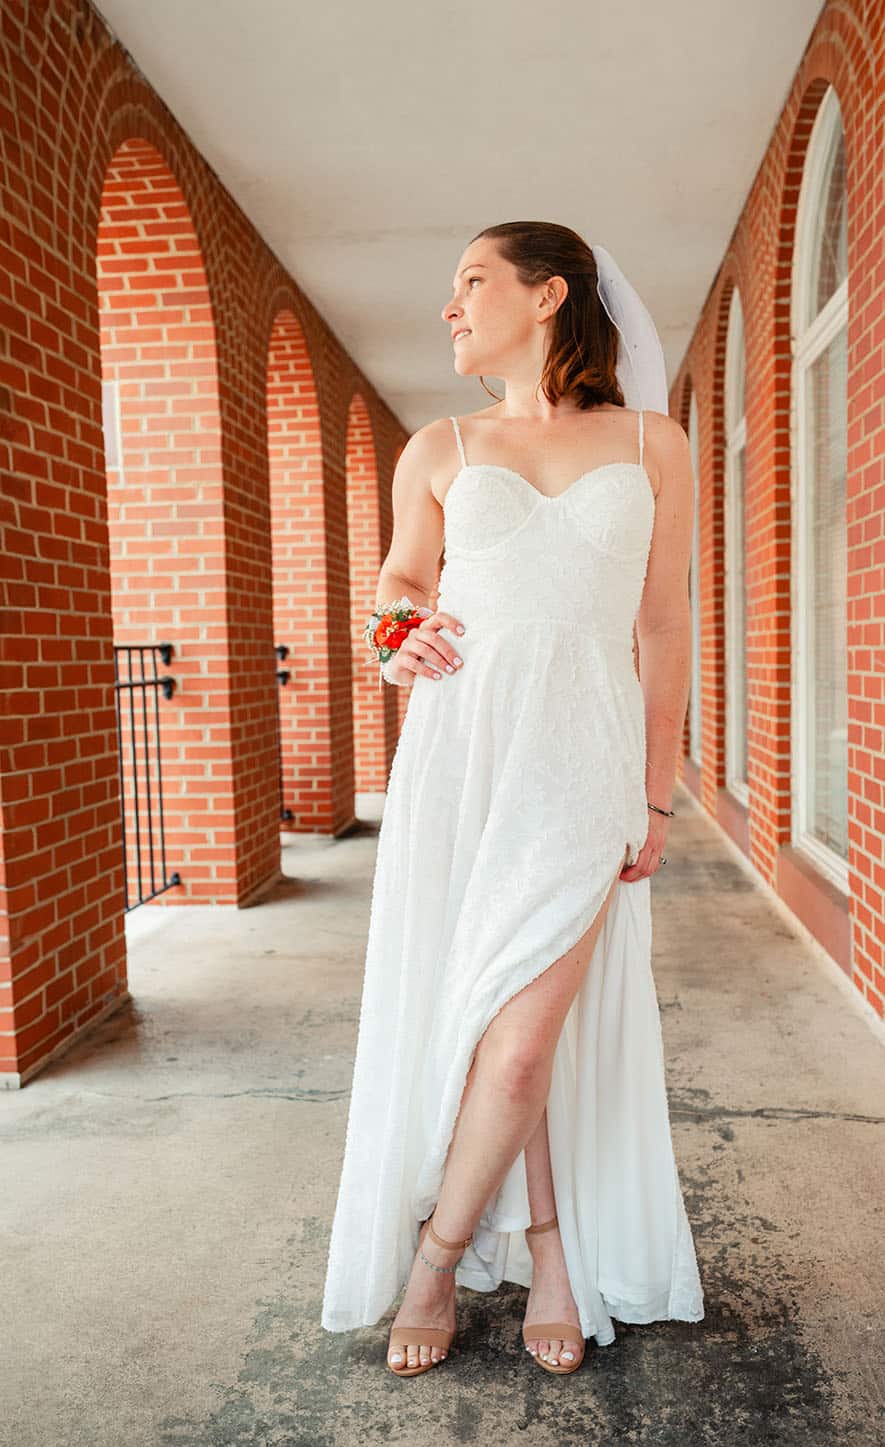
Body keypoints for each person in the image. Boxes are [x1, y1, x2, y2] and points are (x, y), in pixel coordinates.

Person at [321, 220, 704, 1378]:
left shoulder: (655, 442)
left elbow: (665, 622)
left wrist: (659, 790)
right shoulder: (439, 445)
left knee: (527, 1042)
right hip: (462, 755)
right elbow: (397, 582)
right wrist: (400, 626)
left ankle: (437, 1256)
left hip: (582, 760)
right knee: (496, 1025)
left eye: (470, 283)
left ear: (548, 296)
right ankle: (542, 1246)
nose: (448, 307)